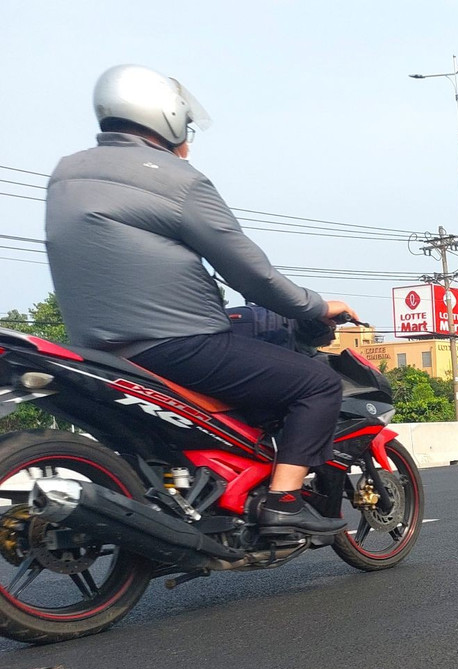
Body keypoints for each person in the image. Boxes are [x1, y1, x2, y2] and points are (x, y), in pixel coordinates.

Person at [45, 64, 359, 536]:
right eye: (186, 129)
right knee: (317, 384)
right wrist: (315, 306)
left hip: (96, 350)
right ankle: (283, 501)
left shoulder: (66, 172)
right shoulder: (177, 179)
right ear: (166, 118)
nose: (188, 143)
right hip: (180, 345)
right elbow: (252, 274)